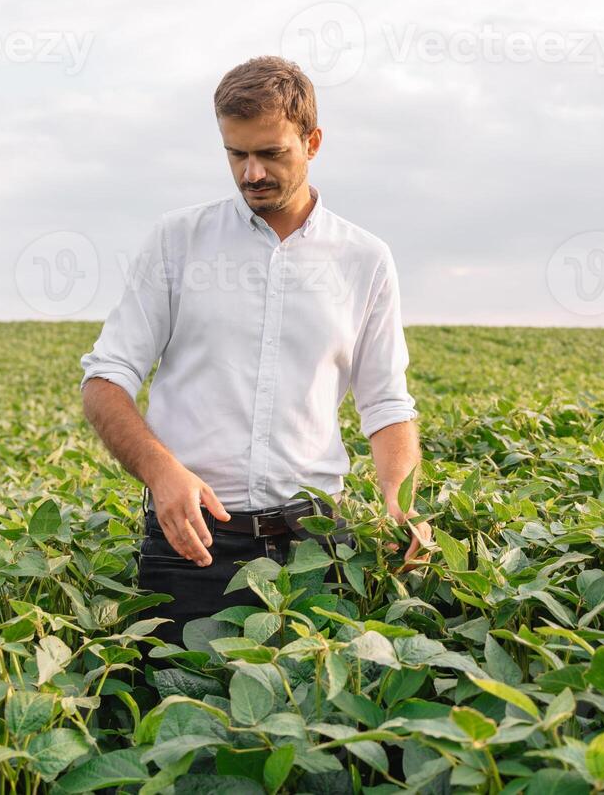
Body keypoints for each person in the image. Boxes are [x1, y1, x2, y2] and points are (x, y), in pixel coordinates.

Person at [79, 55, 433, 653]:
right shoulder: (178, 241)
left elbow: (387, 404)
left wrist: (397, 504)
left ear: (313, 141)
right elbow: (105, 380)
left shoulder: (364, 259)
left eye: (271, 153)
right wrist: (162, 473)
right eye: (235, 154)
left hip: (317, 547)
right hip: (190, 540)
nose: (251, 173)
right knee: (180, 728)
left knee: (313, 730)